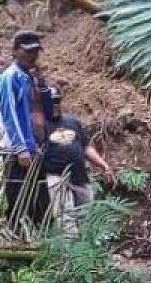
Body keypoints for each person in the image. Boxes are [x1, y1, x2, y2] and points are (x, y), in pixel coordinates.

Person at [37, 81, 115, 235]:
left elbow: (86, 147)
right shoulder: (40, 125)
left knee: (88, 216)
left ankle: (87, 252)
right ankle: (69, 253)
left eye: (57, 101)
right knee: (65, 219)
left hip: (79, 176)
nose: (55, 105)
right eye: (51, 101)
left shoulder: (72, 122)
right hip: (56, 177)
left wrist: (104, 166)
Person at [0, 31, 48, 231]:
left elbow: (42, 111)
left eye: (36, 52)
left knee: (39, 201)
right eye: (28, 52)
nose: (33, 56)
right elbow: (8, 114)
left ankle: (41, 244)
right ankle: (15, 244)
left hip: (34, 148)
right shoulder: (10, 78)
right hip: (17, 152)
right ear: (15, 52)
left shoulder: (29, 78)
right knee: (18, 202)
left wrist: (40, 83)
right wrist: (21, 148)